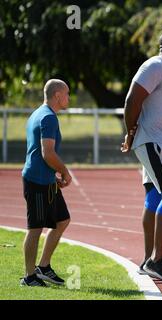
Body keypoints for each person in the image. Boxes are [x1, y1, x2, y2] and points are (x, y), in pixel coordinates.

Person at [121, 30, 162, 282]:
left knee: (155, 196)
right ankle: (157, 260)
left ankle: (148, 259)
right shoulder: (155, 65)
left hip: (160, 142)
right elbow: (132, 99)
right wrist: (130, 133)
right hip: (153, 141)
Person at [21, 79, 72, 287]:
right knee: (35, 228)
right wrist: (64, 171)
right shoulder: (48, 118)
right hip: (37, 182)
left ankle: (43, 267)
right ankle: (29, 276)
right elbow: (47, 153)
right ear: (57, 95)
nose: (69, 97)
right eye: (67, 93)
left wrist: (54, 175)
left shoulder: (39, 113)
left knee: (62, 220)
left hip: (46, 180)